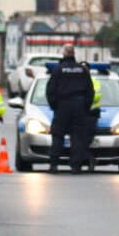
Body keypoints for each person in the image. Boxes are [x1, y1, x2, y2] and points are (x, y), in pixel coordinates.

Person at [44, 43, 94, 173]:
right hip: (79, 105)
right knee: (77, 137)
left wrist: (54, 106)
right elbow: (90, 91)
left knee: (58, 135)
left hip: (62, 106)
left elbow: (50, 90)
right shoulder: (83, 70)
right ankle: (76, 166)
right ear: (74, 54)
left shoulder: (58, 69)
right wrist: (85, 107)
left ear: (64, 54)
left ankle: (54, 165)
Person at [80, 74, 103, 172]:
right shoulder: (74, 80)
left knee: (84, 142)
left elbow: (96, 96)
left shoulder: (94, 81)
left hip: (91, 114)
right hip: (77, 114)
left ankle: (88, 160)